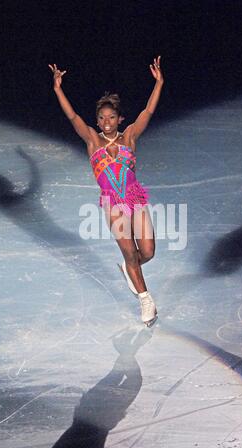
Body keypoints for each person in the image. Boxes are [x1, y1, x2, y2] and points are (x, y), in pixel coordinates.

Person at [48, 57, 164, 326]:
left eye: (111, 117)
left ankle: (129, 269)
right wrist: (57, 89)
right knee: (128, 252)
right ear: (97, 121)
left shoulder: (130, 136)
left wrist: (159, 83)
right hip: (113, 204)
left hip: (135, 199)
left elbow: (148, 111)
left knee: (147, 251)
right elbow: (72, 116)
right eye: (102, 117)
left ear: (120, 118)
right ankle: (146, 300)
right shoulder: (92, 140)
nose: (106, 121)